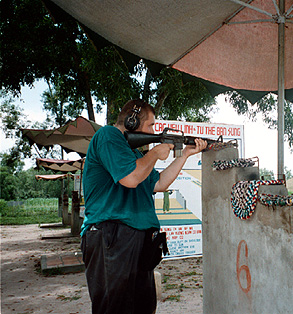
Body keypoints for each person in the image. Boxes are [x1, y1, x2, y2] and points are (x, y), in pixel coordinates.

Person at [80, 99, 207, 314]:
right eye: (150, 125)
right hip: (111, 235)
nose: (153, 131)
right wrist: (155, 153)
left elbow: (159, 184)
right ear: (131, 121)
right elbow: (130, 178)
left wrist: (184, 155)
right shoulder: (108, 136)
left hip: (134, 238)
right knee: (115, 308)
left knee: (142, 307)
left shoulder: (136, 154)